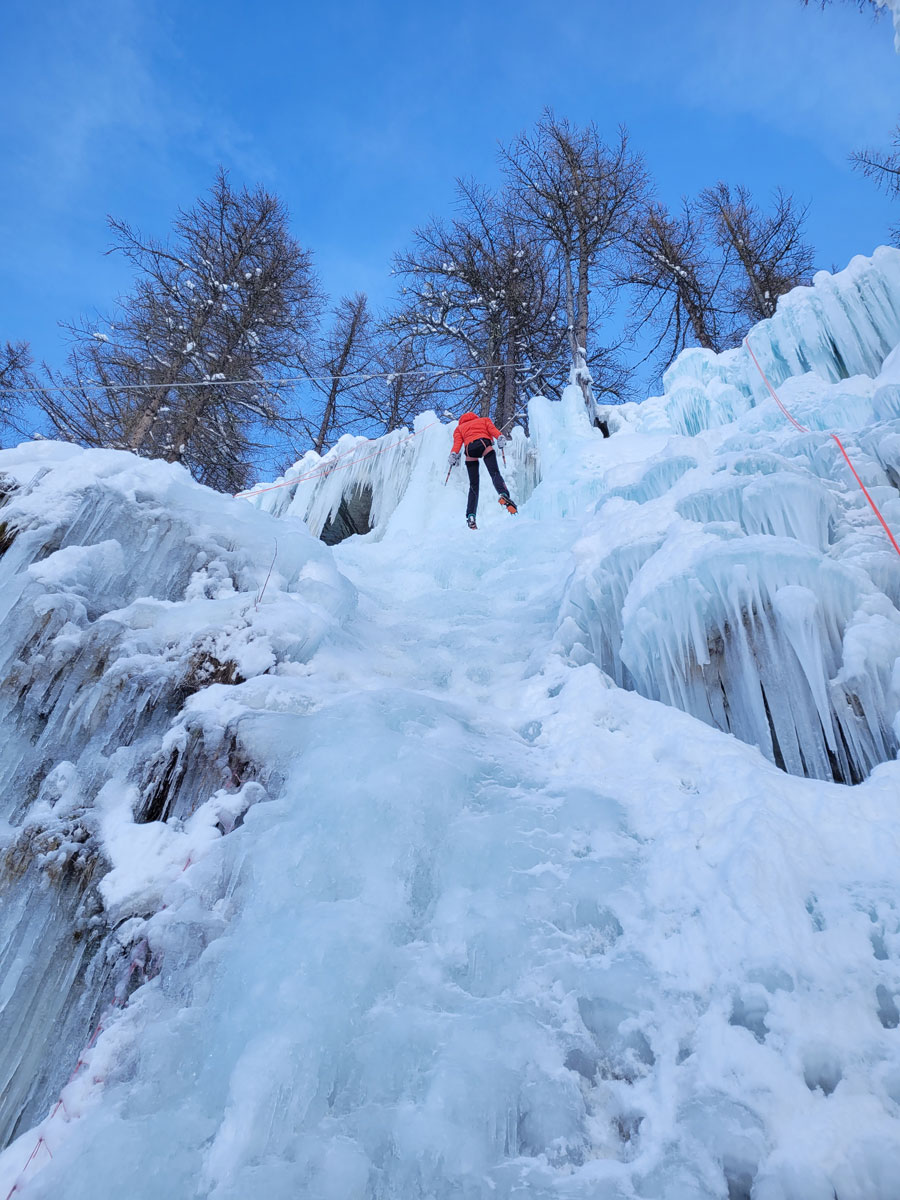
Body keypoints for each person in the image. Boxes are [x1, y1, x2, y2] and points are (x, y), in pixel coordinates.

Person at [448, 411, 517, 529]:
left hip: (470, 450)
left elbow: (457, 443)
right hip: (484, 444)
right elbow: (493, 430)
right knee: (494, 473)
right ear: (475, 417)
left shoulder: (459, 428)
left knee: (473, 485)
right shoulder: (484, 420)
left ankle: (471, 516)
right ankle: (504, 494)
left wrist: (453, 454)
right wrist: (500, 437)